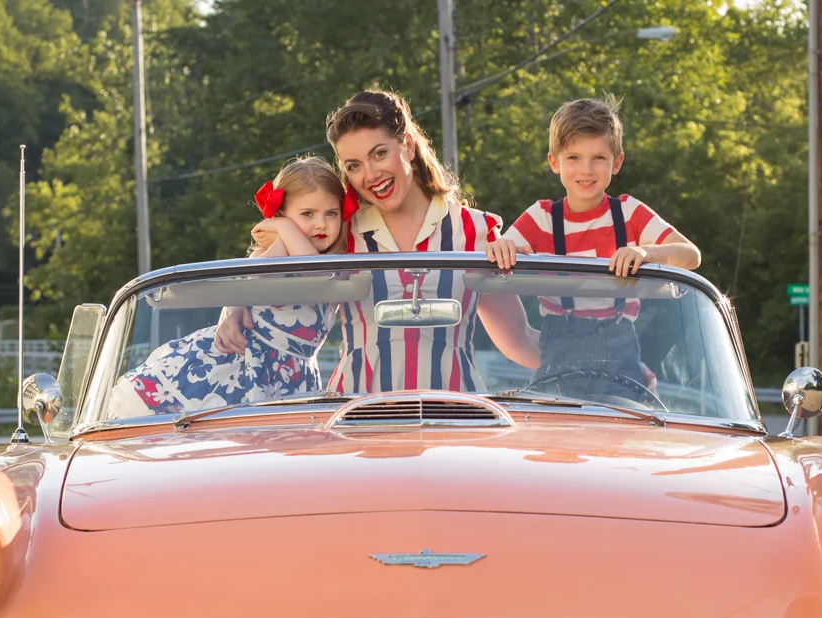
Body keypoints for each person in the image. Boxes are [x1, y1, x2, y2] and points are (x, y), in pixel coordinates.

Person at [220, 90, 540, 393]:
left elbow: (520, 341)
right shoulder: (341, 230)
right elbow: (269, 267)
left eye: (380, 153)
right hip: (356, 422)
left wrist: (585, 362)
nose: (371, 174)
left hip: (454, 421)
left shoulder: (475, 229)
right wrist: (233, 306)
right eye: (354, 166)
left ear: (409, 147)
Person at [484, 96, 701, 402]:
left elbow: (690, 256)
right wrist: (503, 247)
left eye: (598, 157)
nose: (586, 169)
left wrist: (646, 253)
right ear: (554, 161)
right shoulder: (542, 218)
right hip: (555, 374)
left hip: (621, 375)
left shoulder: (628, 213)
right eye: (574, 158)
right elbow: (498, 256)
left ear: (617, 162)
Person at [113, 158, 351, 416]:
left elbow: (319, 272)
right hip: (245, 364)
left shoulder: (335, 262)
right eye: (307, 214)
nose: (321, 224)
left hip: (293, 372)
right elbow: (294, 274)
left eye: (331, 213)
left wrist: (283, 227)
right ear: (282, 214)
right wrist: (284, 231)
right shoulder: (274, 253)